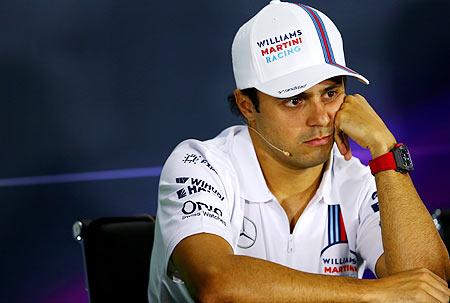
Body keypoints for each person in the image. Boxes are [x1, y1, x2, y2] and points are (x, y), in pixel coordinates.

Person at [149, 1, 450, 302]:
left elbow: (428, 288)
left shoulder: (360, 179)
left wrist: (385, 150)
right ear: (246, 105)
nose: (320, 118)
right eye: (294, 100)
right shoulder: (200, 165)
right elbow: (217, 284)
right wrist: (378, 293)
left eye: (330, 93)